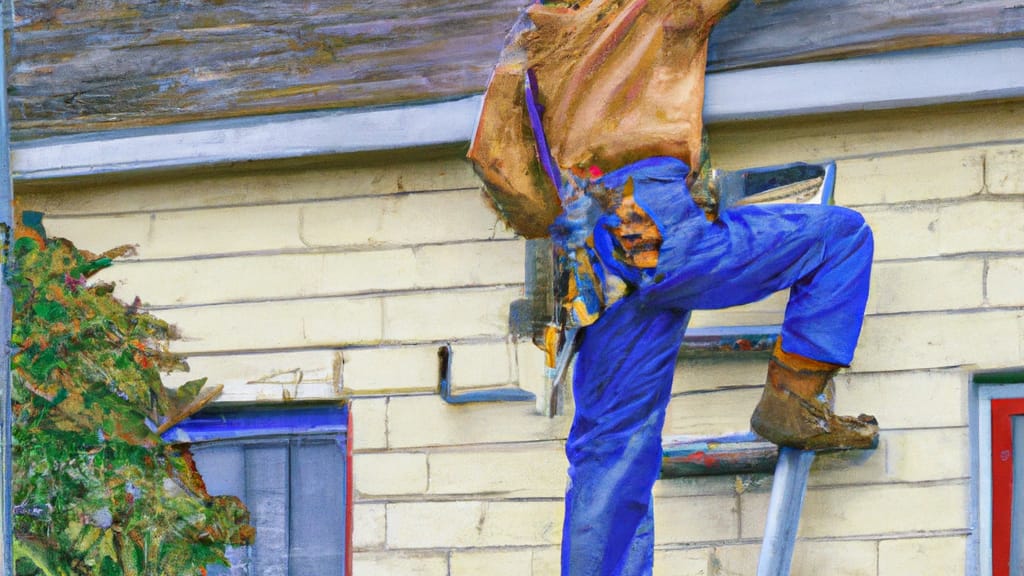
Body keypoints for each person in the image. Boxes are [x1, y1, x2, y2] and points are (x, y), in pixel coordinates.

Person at [468, 1, 879, 574]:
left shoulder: (533, 35)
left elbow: (495, 162)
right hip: (650, 210)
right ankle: (794, 398)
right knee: (841, 238)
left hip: (589, 239)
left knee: (610, 450)